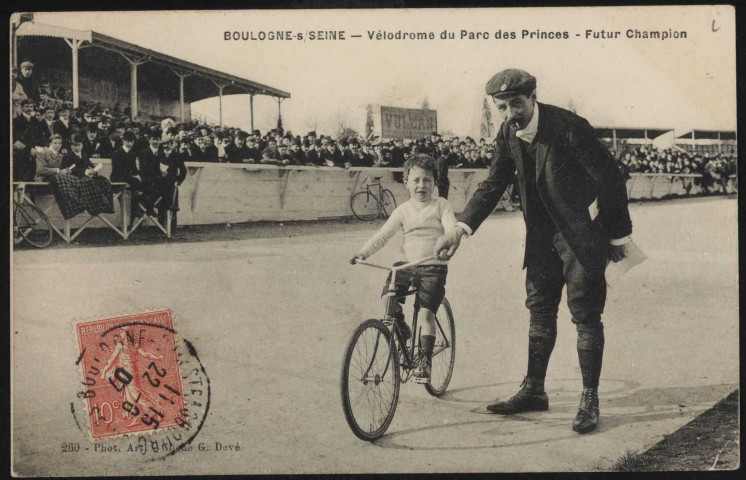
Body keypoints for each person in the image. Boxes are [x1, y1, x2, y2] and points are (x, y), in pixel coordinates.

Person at [434, 69, 633, 434]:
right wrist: (460, 229)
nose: (511, 113)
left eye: (517, 103)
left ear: (533, 96)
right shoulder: (507, 134)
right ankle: (533, 390)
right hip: (541, 238)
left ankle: (589, 399)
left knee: (585, 314)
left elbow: (610, 180)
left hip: (581, 236)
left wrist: (618, 236)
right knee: (539, 310)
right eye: (503, 106)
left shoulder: (570, 127)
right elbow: (494, 183)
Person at [351, 154, 457, 384]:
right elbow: (383, 235)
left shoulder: (441, 205)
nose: (421, 185)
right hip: (405, 265)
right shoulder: (402, 210)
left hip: (432, 266)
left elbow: (450, 229)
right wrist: (363, 253)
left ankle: (425, 360)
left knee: (426, 313)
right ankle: (403, 330)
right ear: (406, 182)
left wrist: (448, 241)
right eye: (416, 180)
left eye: (427, 180)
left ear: (435, 183)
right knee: (387, 301)